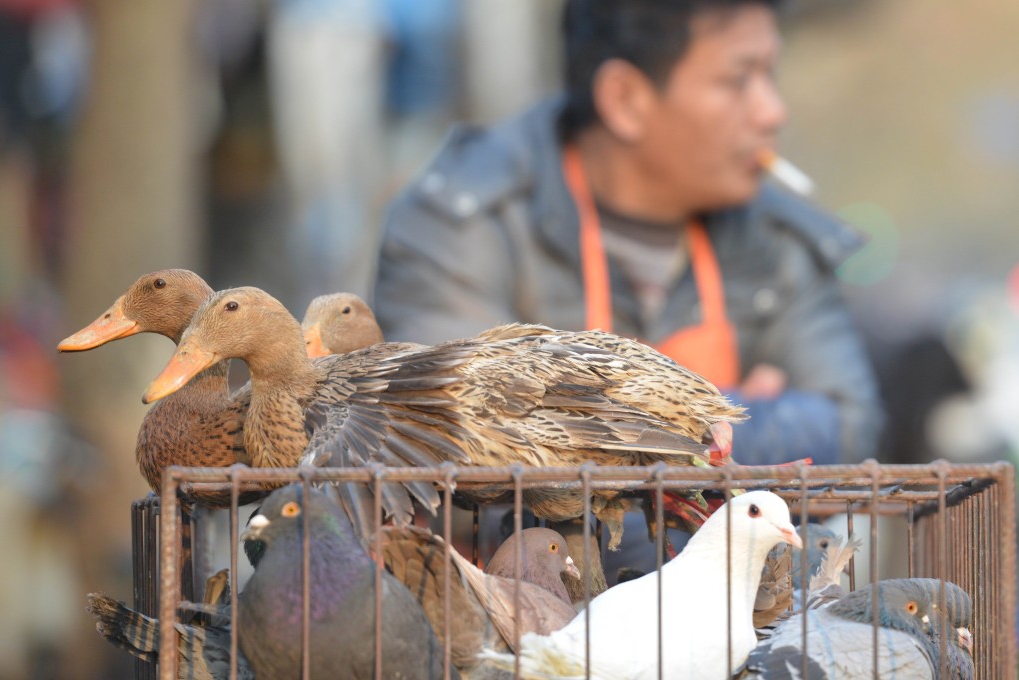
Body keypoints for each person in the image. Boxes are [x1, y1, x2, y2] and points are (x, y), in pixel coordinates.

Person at [374, 0, 883, 468]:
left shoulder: (778, 235)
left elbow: (849, 427)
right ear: (625, 99)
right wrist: (732, 421)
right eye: (738, 79)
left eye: (770, 74)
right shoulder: (462, 221)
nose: (773, 111)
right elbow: (454, 444)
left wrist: (577, 425)